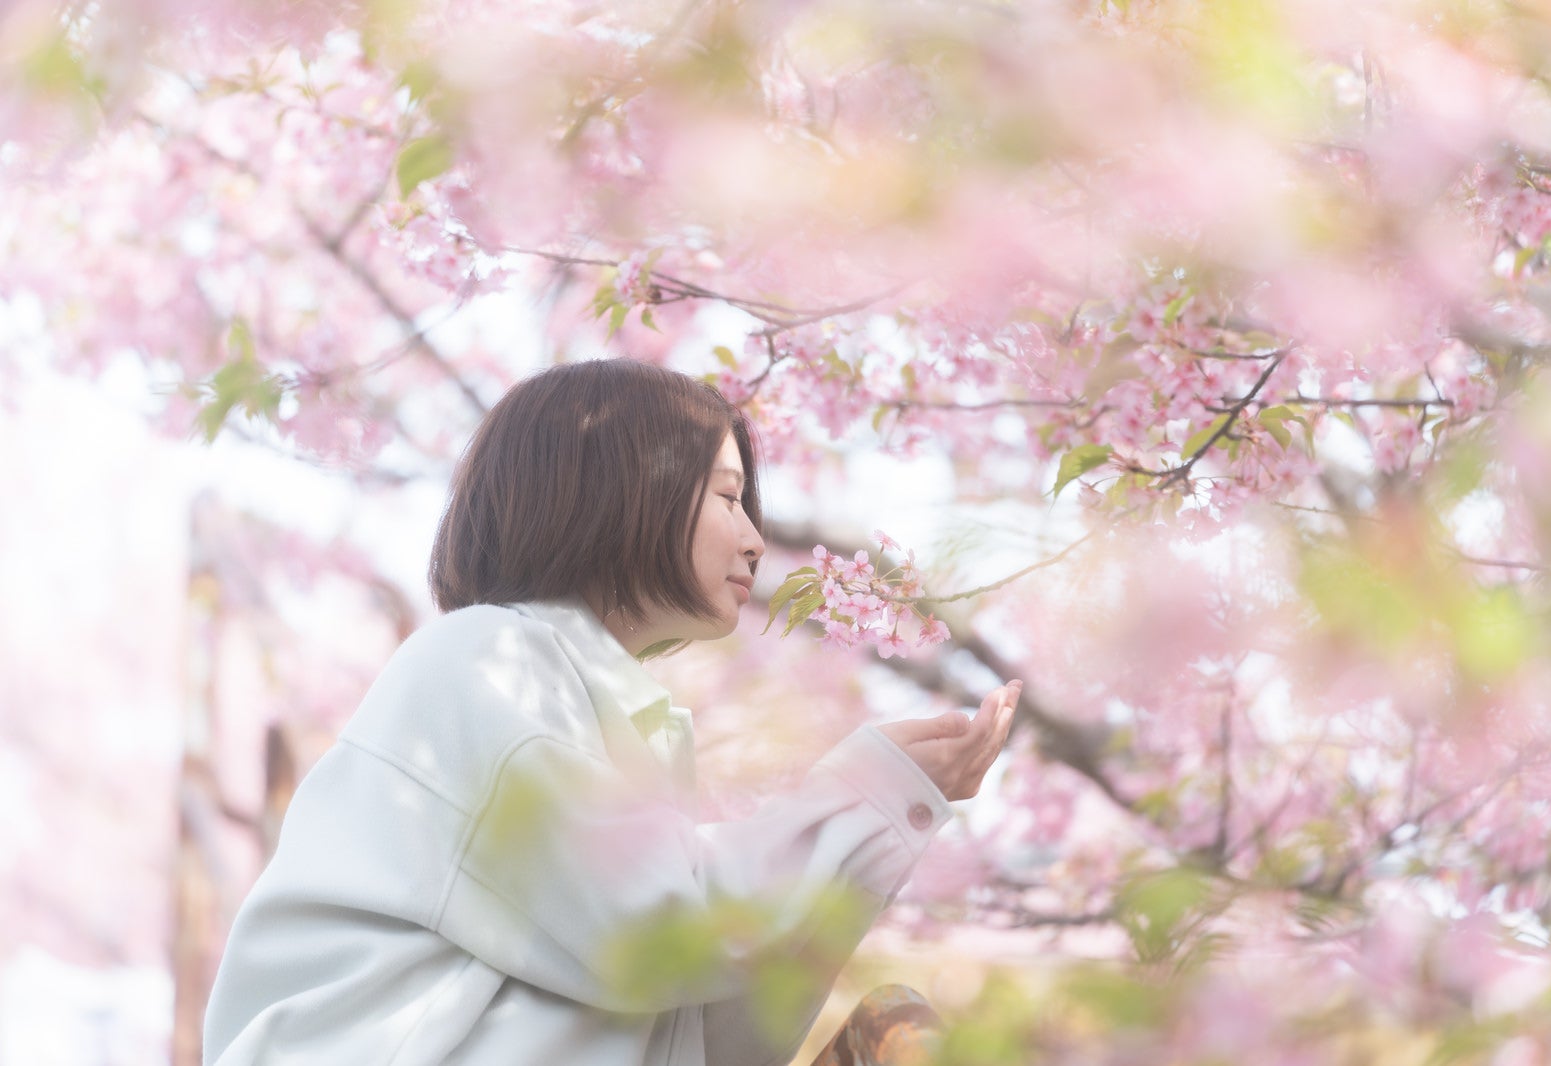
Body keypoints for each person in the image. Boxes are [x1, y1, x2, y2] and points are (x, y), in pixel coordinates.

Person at [202, 359, 1018, 1065]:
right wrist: (864, 795)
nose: (755, 540)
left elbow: (707, 1044)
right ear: (631, 491)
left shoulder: (612, 722)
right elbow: (657, 932)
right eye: (728, 498)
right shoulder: (484, 662)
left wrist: (879, 821)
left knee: (897, 1028)